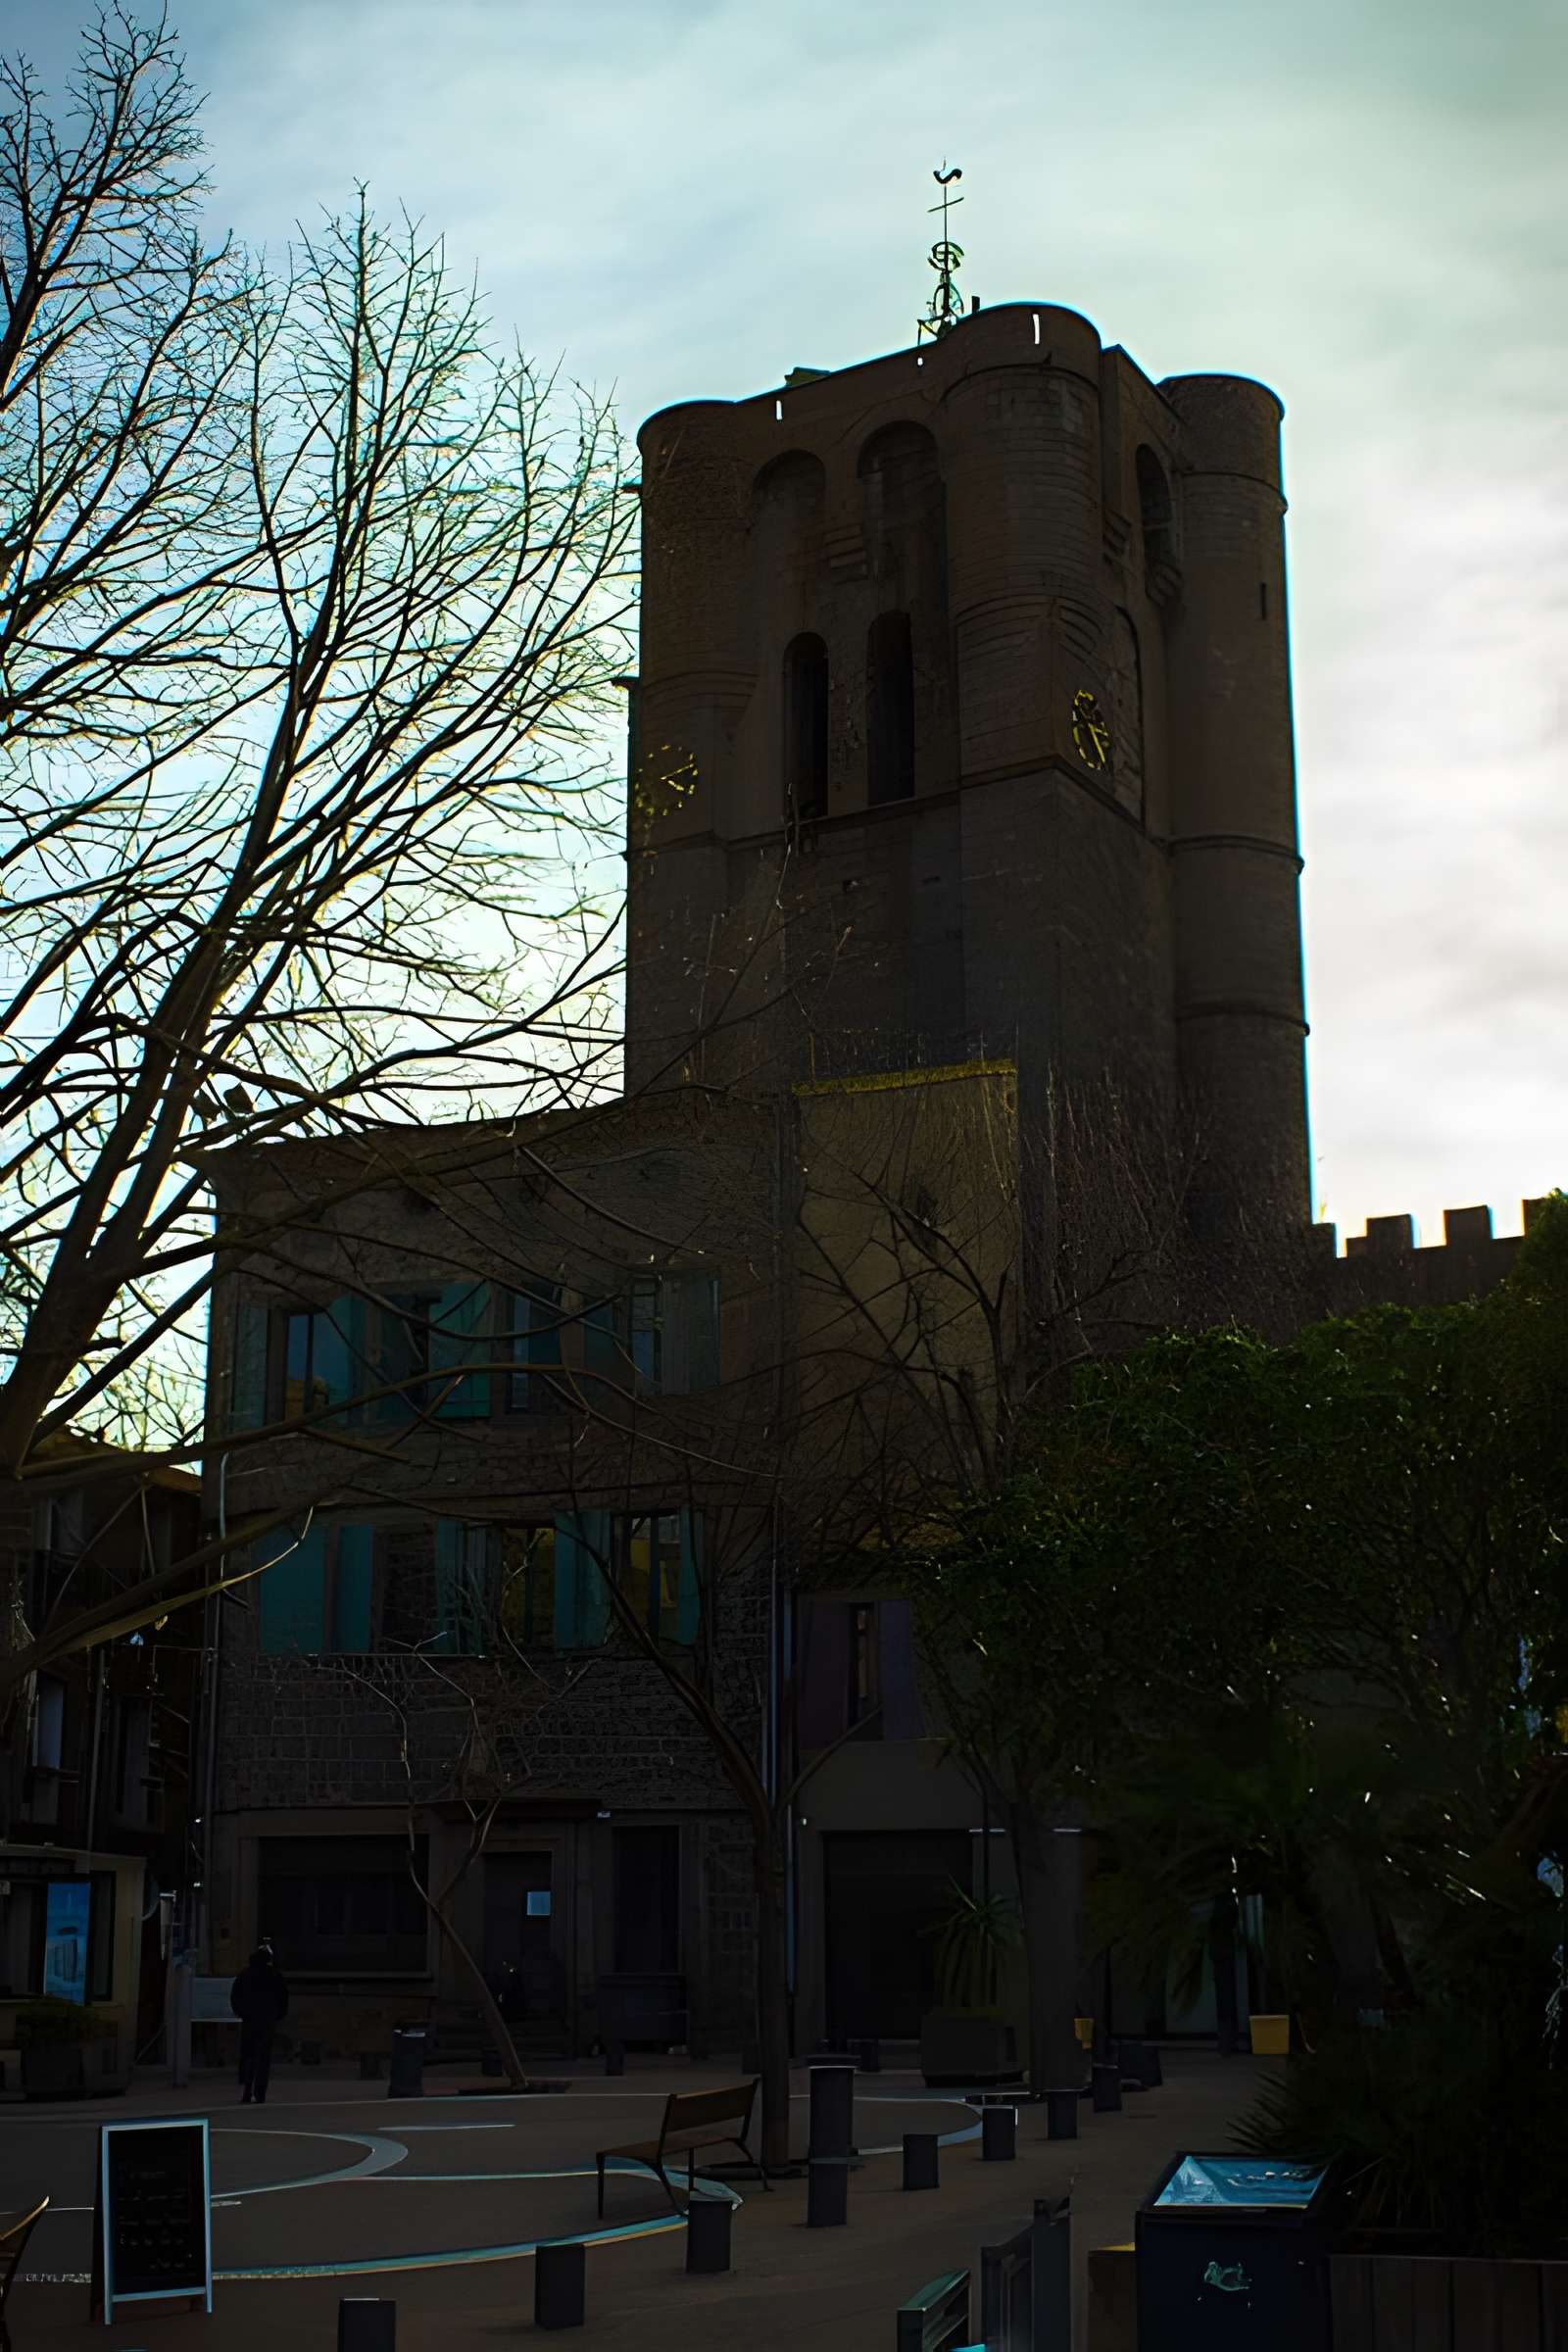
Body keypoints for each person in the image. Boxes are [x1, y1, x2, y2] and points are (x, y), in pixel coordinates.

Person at [229, 1942, 289, 2105]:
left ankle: (246, 2091)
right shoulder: (275, 1975)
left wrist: (241, 2012)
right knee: (263, 2058)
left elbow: (235, 1996)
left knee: (248, 2055)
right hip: (267, 2020)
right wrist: (278, 2015)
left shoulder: (245, 1975)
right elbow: (283, 1998)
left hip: (249, 2019)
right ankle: (260, 2093)